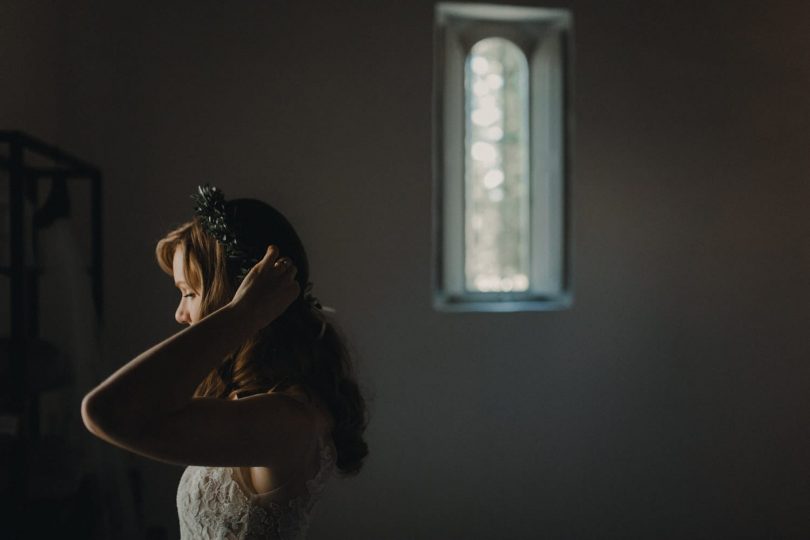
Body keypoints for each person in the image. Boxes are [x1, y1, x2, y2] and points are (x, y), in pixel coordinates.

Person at [81, 184, 369, 539]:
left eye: (189, 293)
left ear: (241, 293)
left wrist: (242, 314)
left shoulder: (287, 418)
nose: (180, 313)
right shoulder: (255, 401)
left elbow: (106, 412)